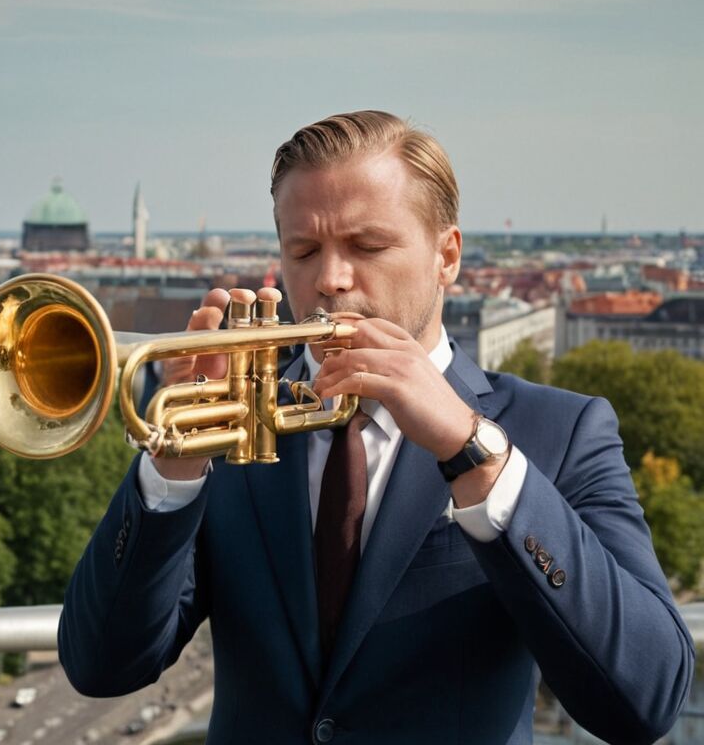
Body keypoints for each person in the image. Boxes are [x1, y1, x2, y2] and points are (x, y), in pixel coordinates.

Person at [57, 110, 694, 744]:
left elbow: (646, 695)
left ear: (447, 256)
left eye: (367, 247)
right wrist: (172, 467)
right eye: (303, 251)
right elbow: (103, 666)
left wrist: (473, 453)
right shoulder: (225, 423)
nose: (330, 280)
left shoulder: (561, 430)